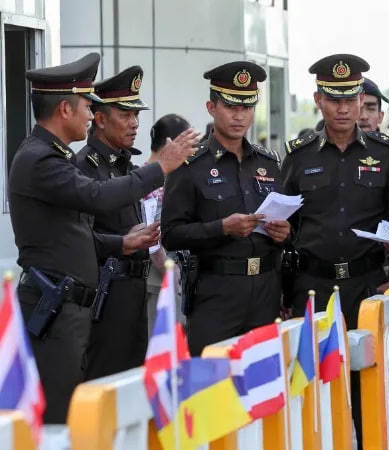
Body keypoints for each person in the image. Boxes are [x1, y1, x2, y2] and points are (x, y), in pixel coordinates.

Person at [9, 52, 198, 423]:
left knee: (94, 411)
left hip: (71, 307)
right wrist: (160, 167)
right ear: (65, 109)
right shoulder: (40, 159)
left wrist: (122, 243)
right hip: (56, 307)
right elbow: (96, 196)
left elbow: (77, 235)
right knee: (62, 418)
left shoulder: (53, 156)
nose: (89, 114)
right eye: (86, 106)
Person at [280, 53, 389, 449]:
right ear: (318, 100)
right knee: (312, 387)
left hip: (367, 287)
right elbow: (283, 228)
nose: (343, 108)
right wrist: (284, 292)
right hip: (311, 287)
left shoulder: (386, 154)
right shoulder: (299, 155)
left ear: (360, 102)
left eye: (350, 99)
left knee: (367, 386)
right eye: (334, 99)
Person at [161, 61, 290, 357]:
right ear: (212, 107)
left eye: (247, 107)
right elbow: (171, 234)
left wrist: (286, 233)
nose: (239, 115)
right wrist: (222, 228)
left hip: (266, 291)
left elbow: (289, 223)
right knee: (213, 377)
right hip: (216, 292)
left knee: (263, 379)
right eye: (231, 106)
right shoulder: (190, 164)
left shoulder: (269, 163)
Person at [73, 66, 153, 380]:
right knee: (106, 382)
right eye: (125, 115)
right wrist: (124, 243)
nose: (134, 123)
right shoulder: (84, 167)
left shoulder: (124, 165)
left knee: (134, 385)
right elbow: (79, 237)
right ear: (100, 119)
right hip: (106, 296)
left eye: (136, 115)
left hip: (135, 292)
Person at [145, 113, 191, 335]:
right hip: (161, 278)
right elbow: (152, 240)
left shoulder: (169, 178)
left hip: (177, 277)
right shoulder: (148, 181)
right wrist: (171, 272)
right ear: (171, 144)